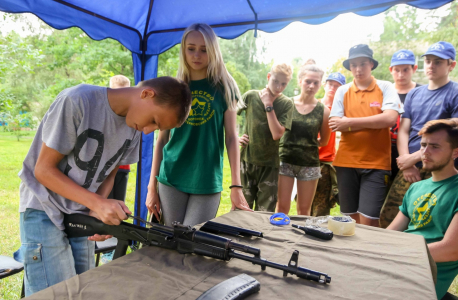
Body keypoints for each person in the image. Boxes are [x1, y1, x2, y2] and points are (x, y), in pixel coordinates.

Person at [14, 77, 192, 296]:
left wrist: (95, 213)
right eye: (153, 120)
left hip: (80, 210)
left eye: (156, 128)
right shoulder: (77, 100)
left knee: (83, 289)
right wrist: (97, 203)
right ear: (146, 94)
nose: (148, 131)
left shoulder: (134, 126)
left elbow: (110, 172)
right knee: (56, 293)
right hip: (43, 205)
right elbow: (43, 170)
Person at [146, 23, 252, 227]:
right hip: (171, 176)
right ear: (183, 50)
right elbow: (161, 141)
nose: (197, 55)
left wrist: (236, 186)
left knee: (191, 241)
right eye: (191, 48)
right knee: (168, 242)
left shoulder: (225, 87)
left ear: (213, 51)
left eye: (204, 50)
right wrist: (152, 188)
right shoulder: (173, 88)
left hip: (207, 178)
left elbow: (231, 138)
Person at [380, 41, 458, 228]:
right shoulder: (415, 93)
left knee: (435, 219)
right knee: (389, 216)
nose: (431, 66)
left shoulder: (454, 91)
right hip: (411, 165)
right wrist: (406, 161)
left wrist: (414, 158)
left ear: (451, 65)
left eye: (438, 62)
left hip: (442, 166)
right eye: (428, 61)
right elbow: (404, 130)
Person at [329, 44, 403, 227]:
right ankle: (353, 254)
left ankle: (370, 254)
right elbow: (335, 124)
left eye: (362, 63)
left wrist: (350, 122)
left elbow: (389, 119)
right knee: (349, 218)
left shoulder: (385, 87)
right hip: (346, 162)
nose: (358, 69)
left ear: (371, 64)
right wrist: (373, 122)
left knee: (369, 220)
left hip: (376, 164)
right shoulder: (342, 90)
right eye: (353, 65)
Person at [387, 119, 458, 300]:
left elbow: (451, 249)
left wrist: (398, 253)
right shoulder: (417, 187)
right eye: (423, 145)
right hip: (398, 263)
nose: (425, 153)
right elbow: (391, 232)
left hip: (424, 276)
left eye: (435, 146)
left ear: (455, 152)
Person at [238, 63, 294, 212]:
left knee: (265, 212)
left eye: (283, 84)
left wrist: (268, 104)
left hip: (270, 166)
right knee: (242, 208)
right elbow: (228, 114)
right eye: (275, 81)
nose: (279, 87)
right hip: (246, 161)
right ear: (269, 77)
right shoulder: (250, 96)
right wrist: (236, 137)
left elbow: (277, 134)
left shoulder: (287, 104)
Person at [276, 63, 331, 215]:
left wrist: (306, 146)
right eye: (308, 81)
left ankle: (298, 238)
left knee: (304, 211)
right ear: (300, 81)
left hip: (309, 164)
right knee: (281, 208)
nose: (311, 86)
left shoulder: (324, 111)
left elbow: (324, 141)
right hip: (285, 160)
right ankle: (279, 237)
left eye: (316, 82)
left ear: (320, 84)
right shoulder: (286, 104)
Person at [101, 75, 132, 264]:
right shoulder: (105, 114)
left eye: (124, 90)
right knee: (104, 203)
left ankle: (114, 244)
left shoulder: (131, 115)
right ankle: (105, 244)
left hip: (122, 169)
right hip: (104, 170)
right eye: (115, 90)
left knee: (118, 204)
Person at [311, 72, 346, 217]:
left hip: (326, 162)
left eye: (337, 86)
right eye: (331, 84)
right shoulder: (313, 105)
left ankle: (316, 234)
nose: (333, 88)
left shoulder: (342, 110)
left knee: (321, 206)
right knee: (304, 204)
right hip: (308, 159)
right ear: (325, 85)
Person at [387, 49, 421, 181]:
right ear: (391, 70)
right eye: (397, 70)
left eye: (406, 69)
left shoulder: (422, 92)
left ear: (414, 69)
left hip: (411, 150)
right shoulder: (384, 91)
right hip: (386, 150)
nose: (401, 74)